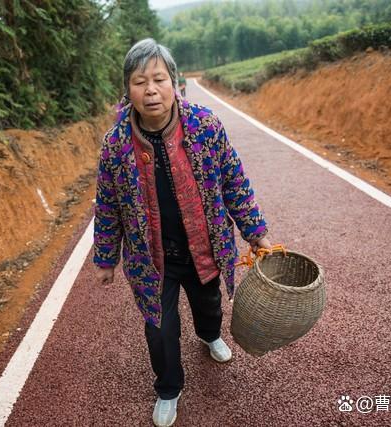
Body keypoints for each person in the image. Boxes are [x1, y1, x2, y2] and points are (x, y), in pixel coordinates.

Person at [93, 38, 271, 427]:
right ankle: (168, 388)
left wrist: (255, 231)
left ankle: (209, 335)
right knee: (159, 329)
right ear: (128, 89)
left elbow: (233, 181)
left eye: (159, 79)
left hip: (204, 247)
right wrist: (106, 257)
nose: (150, 89)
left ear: (175, 82)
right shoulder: (115, 145)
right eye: (140, 81)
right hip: (150, 259)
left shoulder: (205, 125)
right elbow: (107, 204)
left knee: (209, 305)